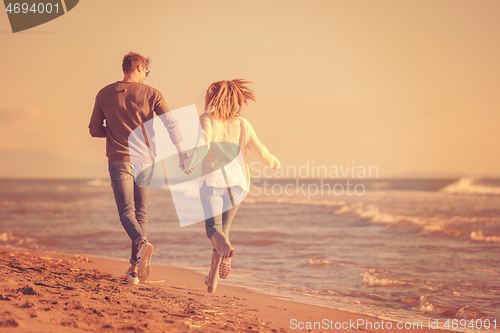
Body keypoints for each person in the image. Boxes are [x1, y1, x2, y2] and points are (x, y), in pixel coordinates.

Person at [89, 52, 188, 285]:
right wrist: (182, 154)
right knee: (141, 212)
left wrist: (113, 133)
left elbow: (94, 129)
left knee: (126, 212)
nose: (146, 76)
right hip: (145, 158)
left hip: (119, 159)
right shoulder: (152, 93)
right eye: (147, 71)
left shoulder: (104, 93)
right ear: (140, 67)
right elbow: (171, 123)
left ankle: (137, 258)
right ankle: (134, 266)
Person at [183, 79, 280, 293]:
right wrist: (274, 162)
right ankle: (212, 280)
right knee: (223, 231)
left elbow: (204, 141)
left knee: (213, 230)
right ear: (237, 99)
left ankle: (223, 254)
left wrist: (189, 161)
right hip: (238, 185)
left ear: (213, 98)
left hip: (212, 182)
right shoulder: (243, 124)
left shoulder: (207, 118)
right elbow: (261, 151)